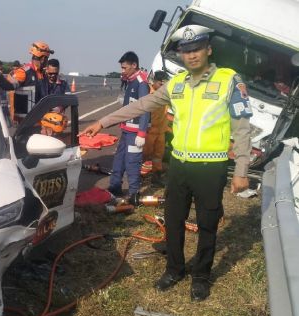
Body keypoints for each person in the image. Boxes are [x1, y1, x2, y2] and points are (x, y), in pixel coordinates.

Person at [79, 25, 252, 301]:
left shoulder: (229, 80)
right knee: (173, 221)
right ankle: (174, 269)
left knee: (207, 224)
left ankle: (201, 277)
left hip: (211, 168)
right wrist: (103, 121)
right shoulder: (177, 84)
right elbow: (141, 105)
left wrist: (242, 171)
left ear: (208, 50)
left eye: (197, 49)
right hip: (180, 167)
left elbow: (243, 129)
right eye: (186, 51)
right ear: (181, 55)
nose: (192, 55)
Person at [106, 51, 151, 203]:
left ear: (134, 65)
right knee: (119, 159)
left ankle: (134, 193)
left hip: (135, 132)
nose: (122, 71)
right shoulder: (131, 80)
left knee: (132, 162)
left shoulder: (141, 82)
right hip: (126, 130)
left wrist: (142, 133)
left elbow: (145, 108)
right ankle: (114, 187)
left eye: (125, 68)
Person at [0, 41, 54, 123]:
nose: (46, 61)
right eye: (46, 59)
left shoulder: (42, 74)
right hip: (25, 123)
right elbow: (8, 86)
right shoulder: (23, 72)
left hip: (40, 120)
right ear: (42, 59)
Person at [142, 70, 169, 180]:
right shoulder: (148, 94)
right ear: (155, 81)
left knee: (158, 155)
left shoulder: (166, 94)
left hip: (161, 131)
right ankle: (138, 175)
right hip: (150, 132)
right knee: (144, 154)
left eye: (164, 84)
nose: (162, 86)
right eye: (160, 83)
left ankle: (156, 176)